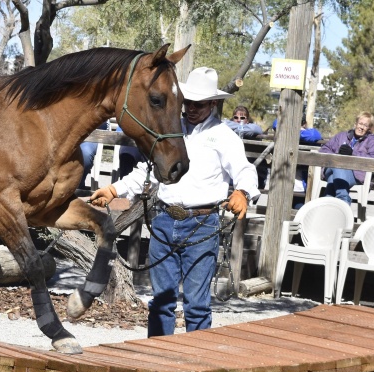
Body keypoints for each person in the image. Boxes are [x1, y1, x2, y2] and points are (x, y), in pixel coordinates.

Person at [89, 67, 260, 337]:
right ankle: (157, 360)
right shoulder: (171, 129)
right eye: (188, 102)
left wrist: (243, 192)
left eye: (199, 104)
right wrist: (114, 189)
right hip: (165, 219)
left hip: (202, 224)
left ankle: (195, 365)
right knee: (161, 303)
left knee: (197, 305)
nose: (191, 108)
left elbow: (245, 171)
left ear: (213, 103)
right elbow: (148, 171)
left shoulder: (225, 137)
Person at [317, 112, 374, 204]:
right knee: (337, 164)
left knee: (333, 179)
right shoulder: (341, 136)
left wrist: (353, 153)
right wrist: (338, 154)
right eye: (360, 123)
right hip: (331, 168)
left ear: (369, 128)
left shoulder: (372, 141)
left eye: (365, 125)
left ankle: (326, 205)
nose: (361, 127)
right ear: (355, 124)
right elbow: (324, 150)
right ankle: (343, 200)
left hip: (356, 175)